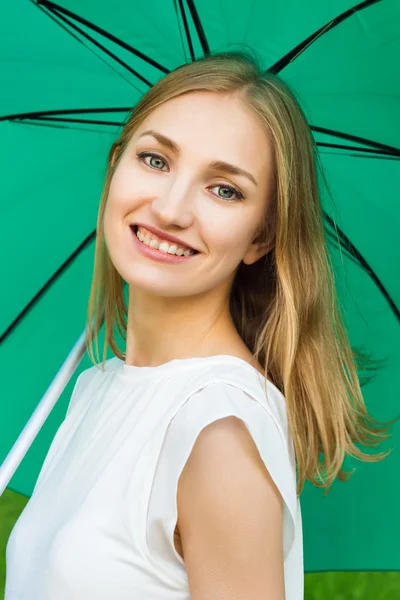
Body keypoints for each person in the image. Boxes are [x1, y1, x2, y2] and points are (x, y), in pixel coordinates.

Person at [5, 49, 393, 600]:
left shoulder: (220, 429)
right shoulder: (95, 387)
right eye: (155, 160)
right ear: (115, 167)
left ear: (261, 237)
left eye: (224, 189)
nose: (170, 209)